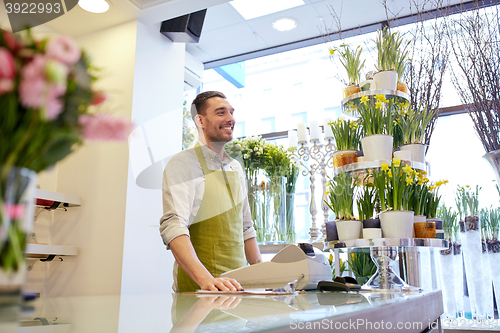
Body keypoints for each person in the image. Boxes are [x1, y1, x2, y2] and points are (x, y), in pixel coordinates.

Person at [160, 91, 262, 293]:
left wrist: (266, 278)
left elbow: (245, 229)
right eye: (221, 112)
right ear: (200, 121)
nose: (230, 119)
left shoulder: (235, 168)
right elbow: (173, 226)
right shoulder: (183, 164)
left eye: (231, 112)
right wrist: (206, 280)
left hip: (238, 291)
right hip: (201, 292)